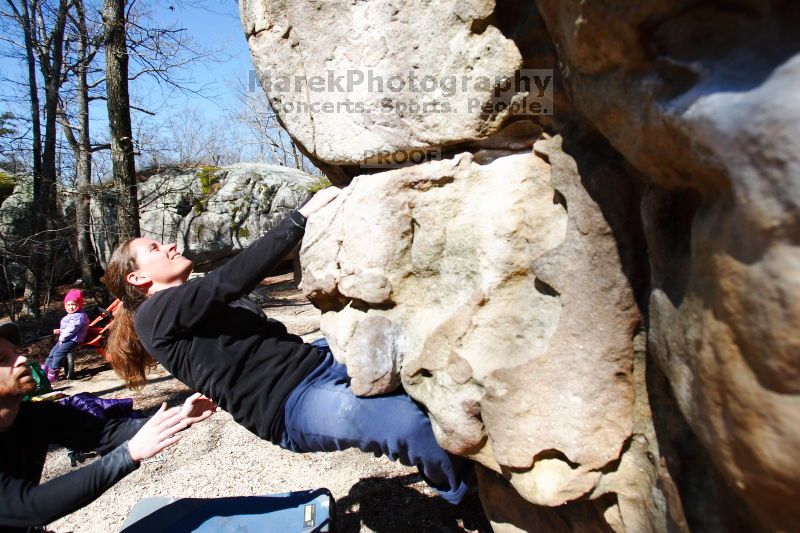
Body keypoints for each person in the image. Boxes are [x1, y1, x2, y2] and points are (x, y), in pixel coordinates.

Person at [104, 187, 472, 505]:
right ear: (137, 278)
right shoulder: (152, 314)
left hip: (315, 361)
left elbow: (228, 345)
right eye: (154, 247)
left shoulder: (187, 303)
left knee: (420, 355)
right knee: (409, 424)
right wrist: (299, 219)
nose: (168, 245)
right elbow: (228, 282)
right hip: (289, 406)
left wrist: (217, 383)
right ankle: (464, 493)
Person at [0, 320, 218, 532]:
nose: (21, 360)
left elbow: (104, 433)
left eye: (16, 352)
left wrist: (180, 417)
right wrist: (127, 454)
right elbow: (28, 506)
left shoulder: (33, 416)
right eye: (3, 359)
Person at [42, 289, 89, 382]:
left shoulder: (78, 316)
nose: (71, 307)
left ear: (79, 305)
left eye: (74, 304)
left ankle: (53, 372)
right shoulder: (72, 315)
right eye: (69, 305)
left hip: (74, 339)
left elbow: (72, 329)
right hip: (67, 337)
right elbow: (68, 328)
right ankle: (45, 370)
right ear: (65, 305)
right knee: (52, 352)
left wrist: (62, 337)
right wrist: (60, 331)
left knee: (58, 353)